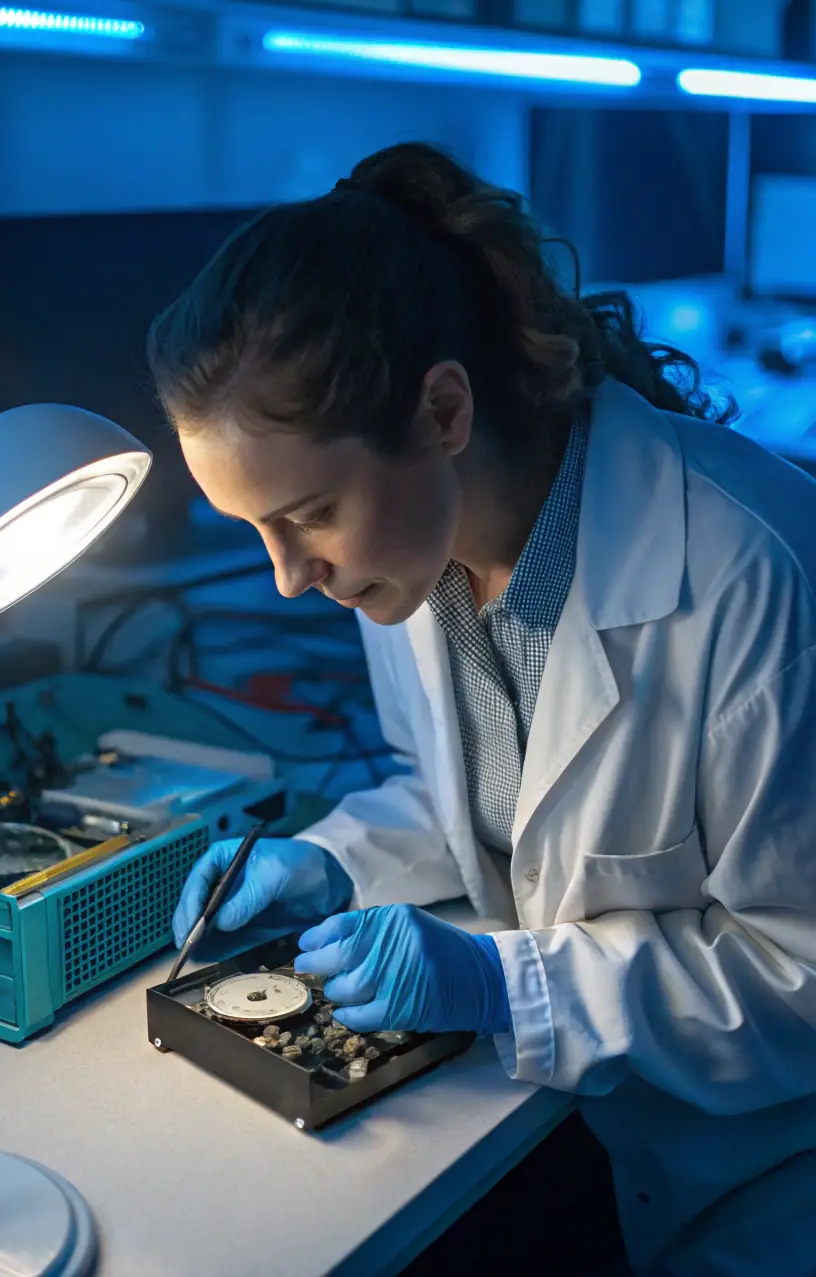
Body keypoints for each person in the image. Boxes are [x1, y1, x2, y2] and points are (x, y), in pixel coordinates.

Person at [148, 142, 816, 1277]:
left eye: (307, 513)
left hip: (770, 1189)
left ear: (443, 410)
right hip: (610, 1150)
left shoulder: (747, 566)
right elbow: (477, 793)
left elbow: (799, 975)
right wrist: (328, 860)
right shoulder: (413, 559)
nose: (286, 577)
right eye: (253, 530)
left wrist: (498, 982)